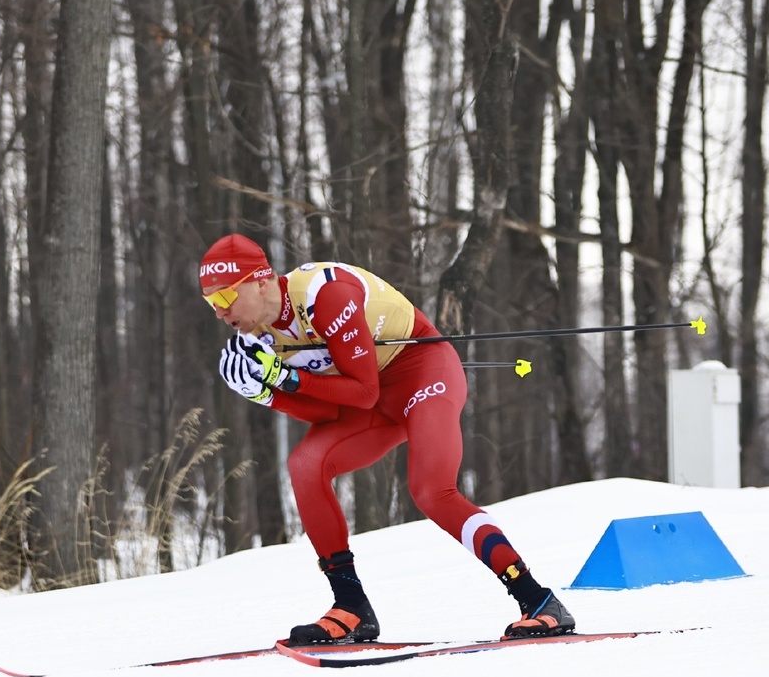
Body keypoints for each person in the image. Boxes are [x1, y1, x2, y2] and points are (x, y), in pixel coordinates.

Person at [198, 233, 575, 645]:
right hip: (366, 401)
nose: (219, 313)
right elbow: (329, 412)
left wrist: (285, 378)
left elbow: (363, 391)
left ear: (261, 280)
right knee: (305, 466)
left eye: (224, 298)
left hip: (420, 371)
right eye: (210, 304)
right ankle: (351, 607)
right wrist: (269, 394)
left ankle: (539, 601)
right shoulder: (255, 341)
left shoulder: (325, 295)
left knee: (432, 491)